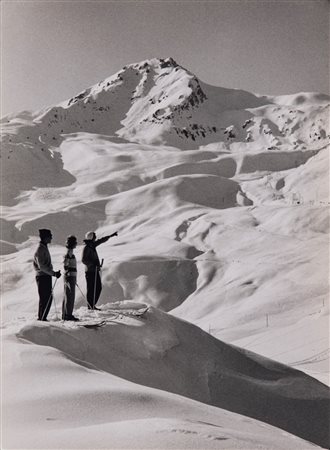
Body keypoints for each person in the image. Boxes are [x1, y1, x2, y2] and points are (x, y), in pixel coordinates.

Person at [82, 230, 118, 310]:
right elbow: (84, 260)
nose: (96, 237)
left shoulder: (92, 245)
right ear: (91, 237)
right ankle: (90, 306)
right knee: (92, 289)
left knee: (97, 288)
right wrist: (93, 264)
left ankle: (92, 305)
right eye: (94, 236)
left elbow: (101, 240)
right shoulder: (87, 248)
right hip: (90, 271)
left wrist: (110, 236)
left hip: (94, 271)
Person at [33, 229, 61, 321]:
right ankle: (42, 318)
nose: (51, 238)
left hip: (45, 276)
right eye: (50, 236)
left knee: (46, 297)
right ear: (45, 238)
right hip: (42, 276)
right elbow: (42, 267)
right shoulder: (40, 249)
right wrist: (53, 273)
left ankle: (42, 317)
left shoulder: (43, 247)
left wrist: (52, 273)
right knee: (45, 298)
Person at [62, 235, 79, 321]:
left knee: (68, 295)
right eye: (75, 242)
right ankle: (68, 315)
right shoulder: (69, 252)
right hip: (70, 276)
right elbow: (66, 263)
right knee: (70, 296)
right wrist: (67, 271)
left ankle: (66, 314)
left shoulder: (70, 251)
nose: (76, 243)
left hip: (71, 276)